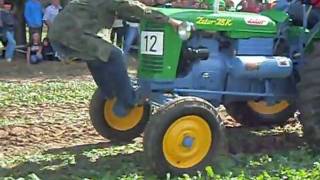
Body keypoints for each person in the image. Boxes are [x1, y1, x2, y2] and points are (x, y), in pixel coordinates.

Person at [49, 0, 182, 117]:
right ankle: (128, 100)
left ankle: (110, 94)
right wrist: (171, 21)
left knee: (98, 57)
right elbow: (139, 10)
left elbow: (129, 13)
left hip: (58, 34)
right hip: (72, 33)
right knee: (115, 55)